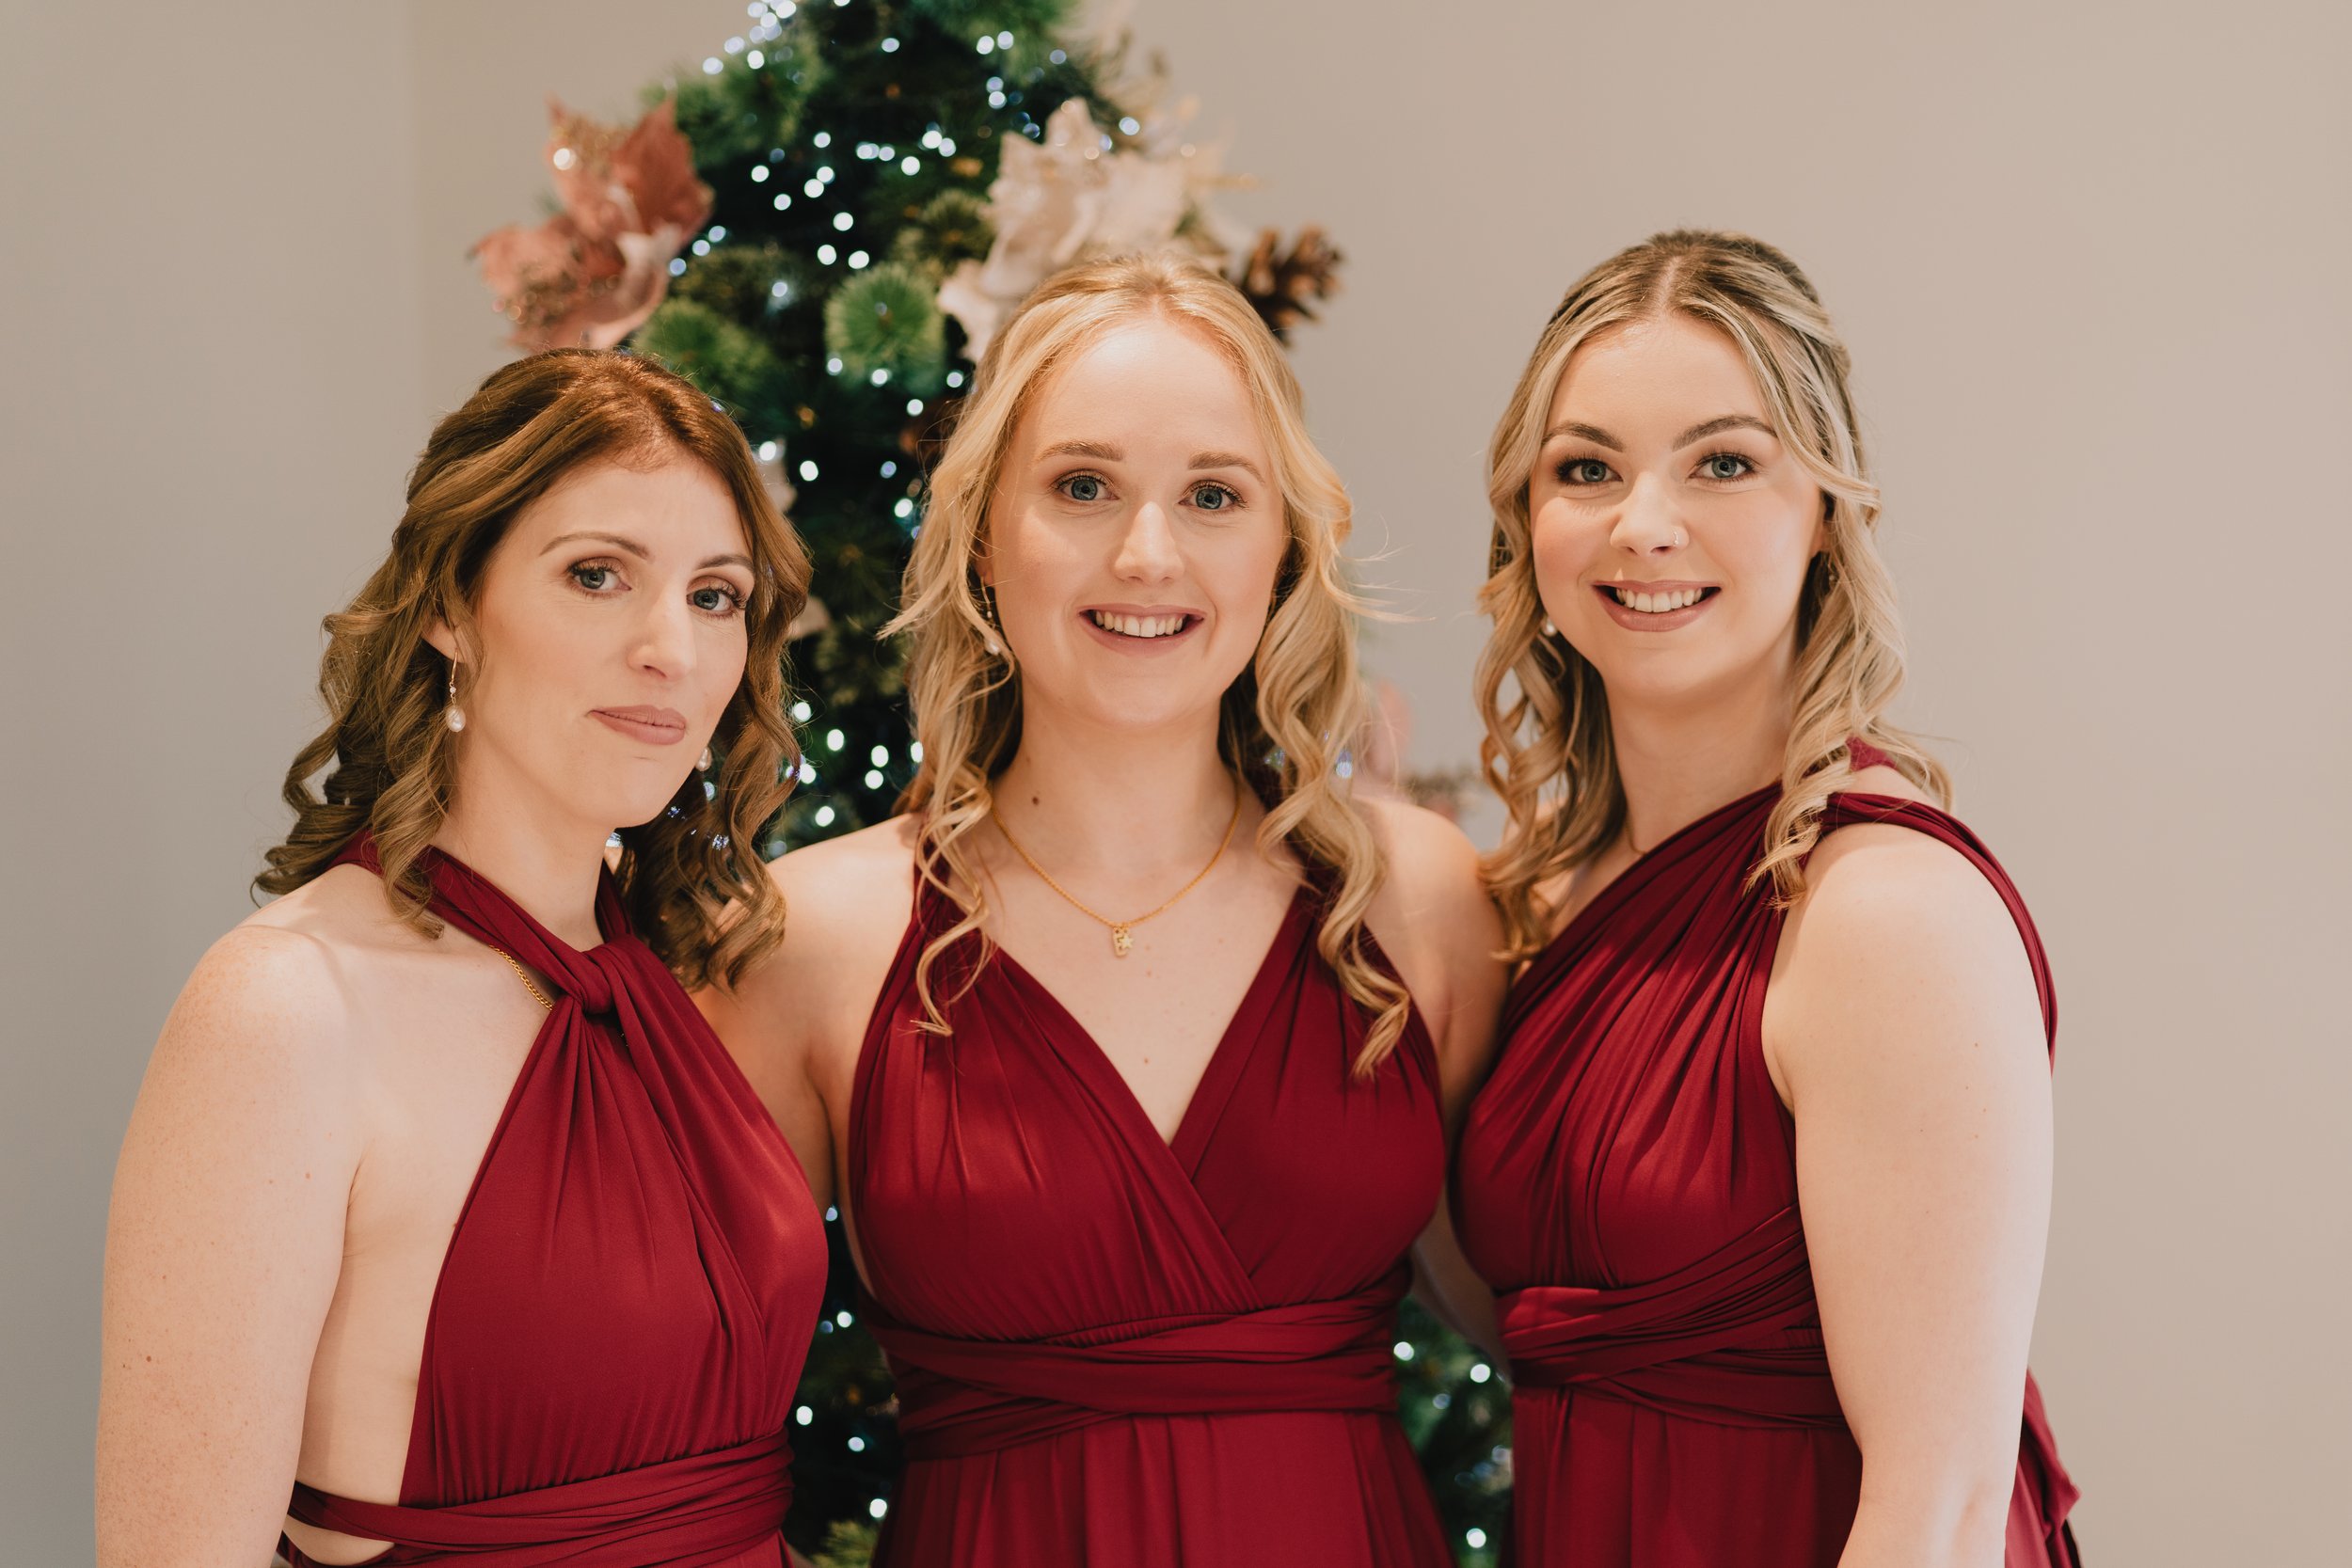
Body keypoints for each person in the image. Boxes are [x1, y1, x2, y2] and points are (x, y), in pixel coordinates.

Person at [702, 253, 1505, 1566]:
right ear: (982, 539)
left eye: (1212, 495)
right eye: (1083, 487)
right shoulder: (813, 938)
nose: (1148, 552)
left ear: (1285, 545)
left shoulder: (1416, 901)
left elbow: (1568, 1332)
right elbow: (681, 1425)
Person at [97, 351, 829, 1568]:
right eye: (598, 576)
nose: (675, 650)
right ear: (449, 605)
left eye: (716, 595)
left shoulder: (669, 978)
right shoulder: (287, 1011)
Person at [1452, 230, 2079, 1567]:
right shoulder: (1545, 900)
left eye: (1723, 462)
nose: (1644, 524)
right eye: (1587, 469)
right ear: (1529, 522)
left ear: (1825, 516)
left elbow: (1944, 1510)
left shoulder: (1885, 915)